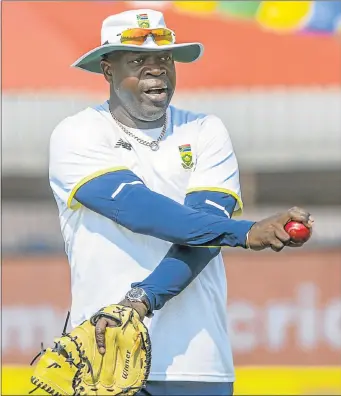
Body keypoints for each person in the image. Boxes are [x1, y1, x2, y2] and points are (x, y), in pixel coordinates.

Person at [49, 9, 314, 396]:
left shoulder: (205, 130)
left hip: (199, 360)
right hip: (104, 356)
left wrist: (140, 301)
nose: (156, 70)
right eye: (139, 60)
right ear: (107, 70)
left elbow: (203, 233)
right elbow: (139, 211)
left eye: (165, 59)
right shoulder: (77, 133)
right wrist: (247, 232)